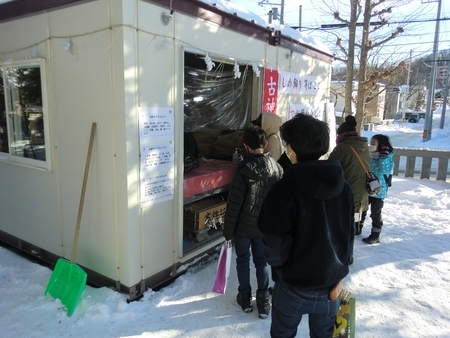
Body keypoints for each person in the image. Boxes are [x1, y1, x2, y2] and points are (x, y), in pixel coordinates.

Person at [257, 114, 354, 338]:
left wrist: (281, 268)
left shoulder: (283, 190)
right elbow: (348, 234)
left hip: (292, 286)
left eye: (286, 143)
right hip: (331, 285)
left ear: (292, 148)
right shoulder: (343, 187)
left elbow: (274, 240)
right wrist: (341, 270)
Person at [223, 126, 283, 319]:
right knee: (262, 261)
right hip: (265, 228)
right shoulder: (276, 167)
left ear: (245, 146)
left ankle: (245, 297)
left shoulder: (242, 170)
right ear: (265, 145)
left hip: (243, 227)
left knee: (243, 260)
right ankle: (264, 302)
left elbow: (234, 204)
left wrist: (228, 232)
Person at [328, 115, 371, 264]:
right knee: (351, 227)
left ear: (342, 134)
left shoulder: (342, 148)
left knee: (340, 227)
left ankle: (340, 256)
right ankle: (349, 255)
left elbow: (329, 168)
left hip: (344, 194)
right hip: (361, 195)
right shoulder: (365, 147)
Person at [361, 134, 394, 244]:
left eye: (374, 143)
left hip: (378, 190)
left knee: (375, 213)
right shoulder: (368, 155)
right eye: (371, 143)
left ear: (382, 145)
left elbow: (385, 170)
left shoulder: (387, 157)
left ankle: (375, 235)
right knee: (361, 209)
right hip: (365, 187)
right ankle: (357, 227)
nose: (371, 145)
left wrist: (383, 156)